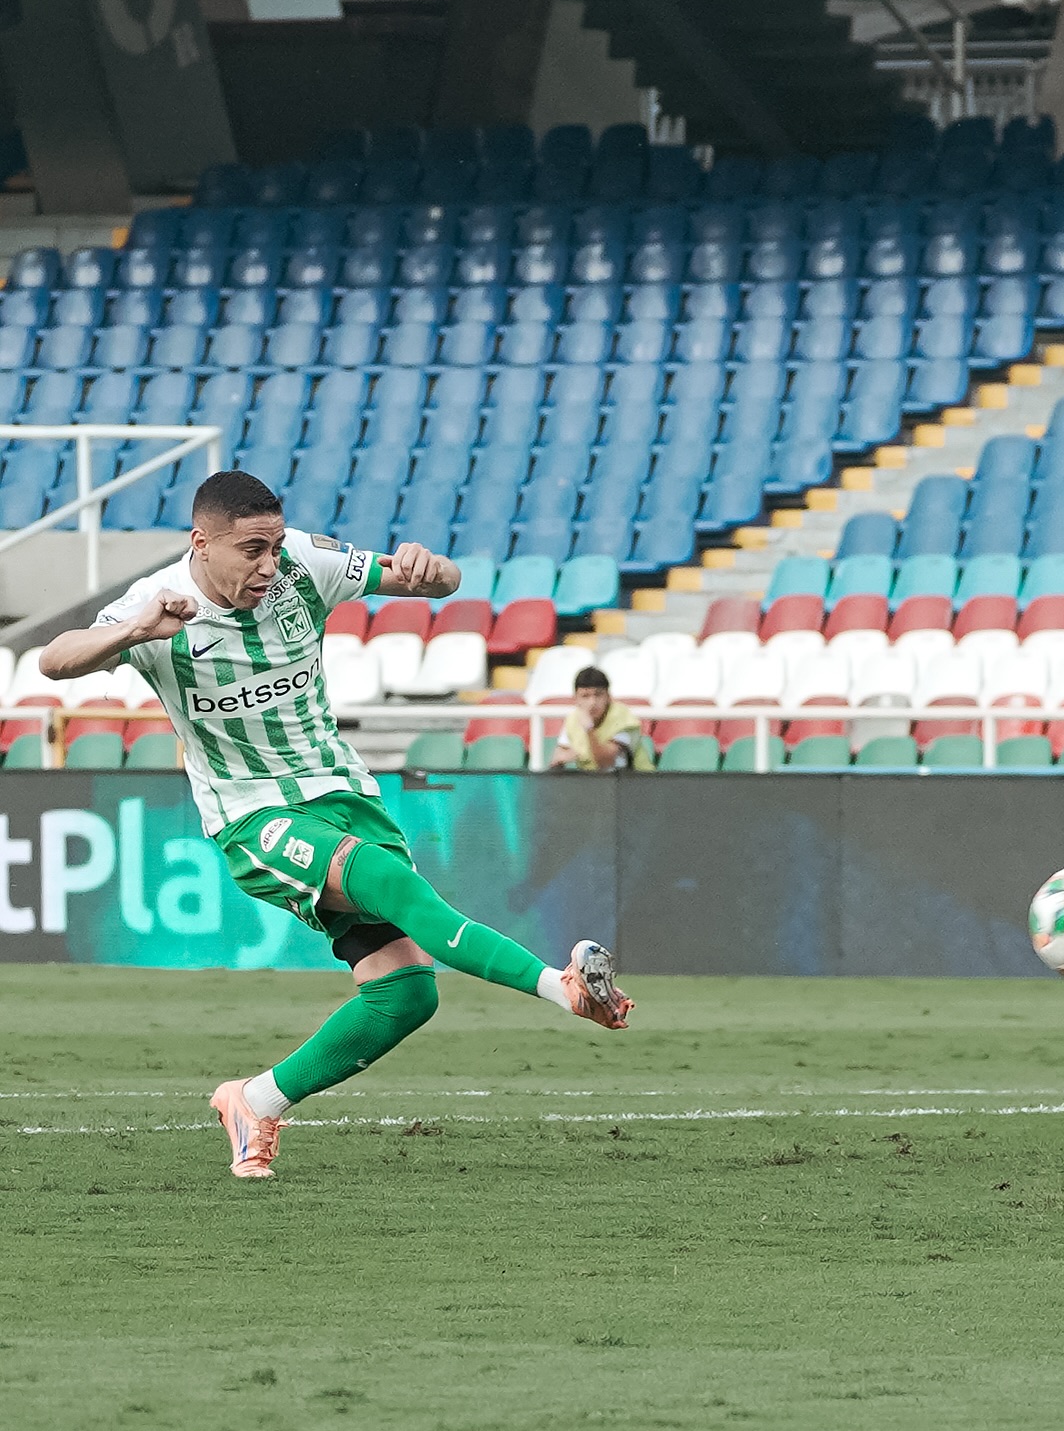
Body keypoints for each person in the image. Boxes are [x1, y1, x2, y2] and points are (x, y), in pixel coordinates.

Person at [38, 470, 634, 1181]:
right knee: (384, 879)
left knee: (406, 993)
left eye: (274, 547)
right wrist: (135, 630)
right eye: (251, 550)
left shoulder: (303, 565)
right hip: (251, 815)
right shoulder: (155, 606)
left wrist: (428, 569)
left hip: (344, 795)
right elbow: (53, 659)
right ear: (202, 542)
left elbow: (437, 581)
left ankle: (254, 1101)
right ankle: (562, 988)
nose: (267, 565)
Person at [547, 665, 653, 773]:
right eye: (585, 696)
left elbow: (605, 762)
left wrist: (589, 729)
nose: (592, 702)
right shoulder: (572, 719)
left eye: (598, 695)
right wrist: (558, 761)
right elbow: (559, 756)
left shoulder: (623, 718)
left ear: (608, 696)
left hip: (637, 782)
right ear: (575, 699)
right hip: (594, 783)